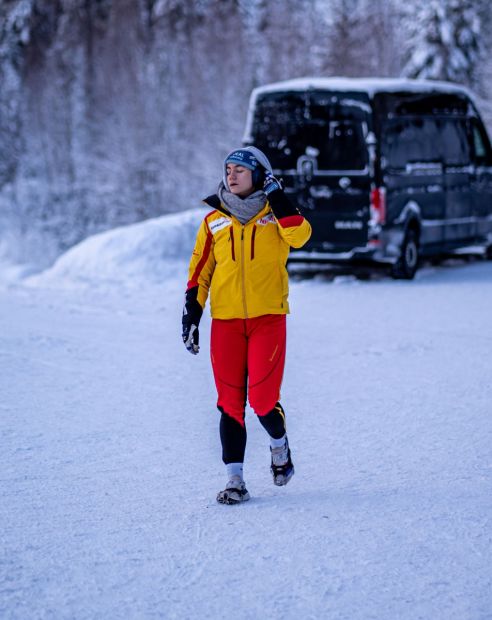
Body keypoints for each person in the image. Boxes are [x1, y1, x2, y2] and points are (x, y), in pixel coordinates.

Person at [182, 146, 311, 505]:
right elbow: (200, 272)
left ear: (259, 175)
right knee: (229, 403)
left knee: (264, 400)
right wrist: (192, 313)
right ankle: (235, 480)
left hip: (268, 318)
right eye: (228, 169)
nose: (232, 175)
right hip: (225, 323)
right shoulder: (213, 222)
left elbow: (300, 236)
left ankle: (279, 445)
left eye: (241, 169)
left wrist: (277, 195)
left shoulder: (277, 216)